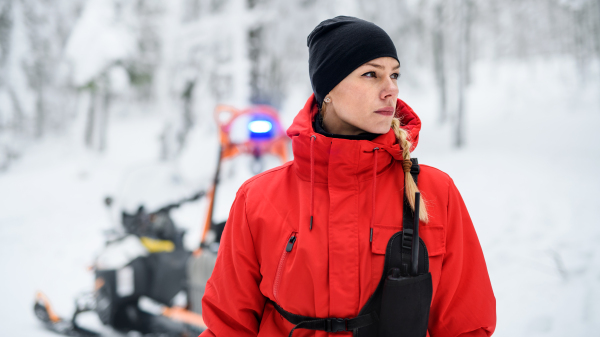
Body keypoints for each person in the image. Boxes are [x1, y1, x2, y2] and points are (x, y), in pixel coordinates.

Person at [199, 16, 496, 337]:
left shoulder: (435, 191)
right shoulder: (259, 197)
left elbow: (466, 325)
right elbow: (227, 326)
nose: (391, 89)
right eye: (371, 74)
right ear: (328, 89)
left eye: (394, 75)